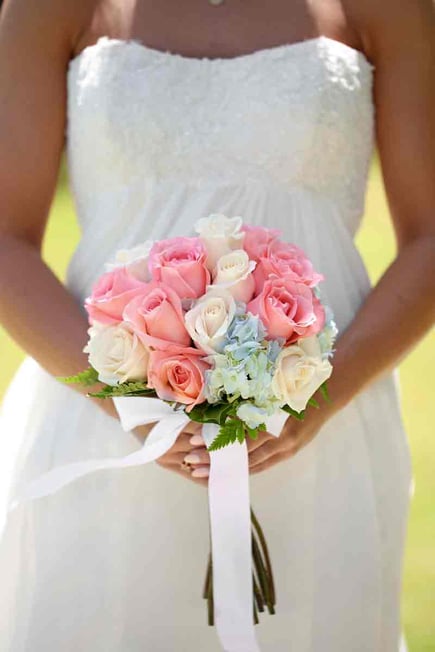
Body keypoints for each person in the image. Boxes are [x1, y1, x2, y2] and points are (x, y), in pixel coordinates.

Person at [0, 0, 434, 650]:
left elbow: (429, 237)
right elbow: (5, 239)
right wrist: (122, 398)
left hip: (323, 417)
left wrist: (318, 393)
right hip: (101, 424)